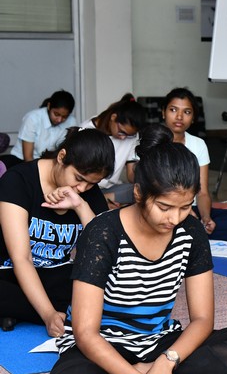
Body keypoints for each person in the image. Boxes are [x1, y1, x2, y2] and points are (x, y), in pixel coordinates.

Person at [42, 124, 227, 374]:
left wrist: (167, 361)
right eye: (164, 207)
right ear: (138, 193)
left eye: (184, 207)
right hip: (106, 344)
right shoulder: (102, 232)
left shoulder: (191, 231)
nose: (174, 218)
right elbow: (86, 333)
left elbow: (202, 319)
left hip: (160, 343)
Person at [0, 128, 113, 336]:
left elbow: (104, 248)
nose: (82, 188)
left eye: (92, 183)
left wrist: (80, 206)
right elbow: (21, 258)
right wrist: (48, 314)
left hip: (56, 274)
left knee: (108, 289)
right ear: (61, 157)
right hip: (10, 272)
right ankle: (47, 311)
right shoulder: (18, 180)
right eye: (78, 178)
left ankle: (17, 312)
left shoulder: (87, 193)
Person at [161, 87, 227, 240]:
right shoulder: (152, 140)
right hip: (163, 208)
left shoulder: (198, 145)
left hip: (192, 209)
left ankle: (192, 231)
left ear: (193, 118)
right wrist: (182, 210)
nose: (179, 116)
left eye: (187, 112)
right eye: (173, 110)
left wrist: (206, 218)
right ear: (163, 112)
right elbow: (150, 189)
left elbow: (202, 192)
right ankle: (190, 232)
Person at [79, 93, 146, 207]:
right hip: (86, 187)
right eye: (122, 132)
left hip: (109, 189)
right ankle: (101, 202)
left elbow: (131, 176)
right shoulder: (87, 130)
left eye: (129, 135)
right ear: (113, 117)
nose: (123, 138)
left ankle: (104, 200)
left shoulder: (133, 136)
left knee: (144, 190)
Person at [2, 90, 79, 169]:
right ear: (49, 106)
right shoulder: (32, 118)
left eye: (64, 117)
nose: (59, 120)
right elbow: (28, 157)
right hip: (22, 160)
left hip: (49, 162)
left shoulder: (71, 122)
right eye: (56, 114)